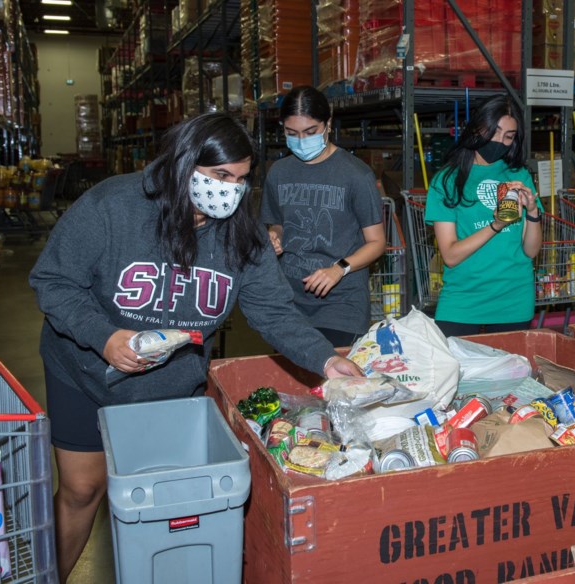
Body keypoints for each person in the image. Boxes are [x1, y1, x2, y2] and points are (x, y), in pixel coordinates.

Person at [29, 112, 361, 583]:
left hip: (170, 385)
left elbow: (275, 313)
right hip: (84, 370)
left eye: (242, 180)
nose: (231, 190)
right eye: (221, 176)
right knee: (84, 489)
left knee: (168, 497)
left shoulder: (241, 235)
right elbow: (54, 281)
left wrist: (327, 359)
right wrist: (104, 338)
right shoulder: (113, 206)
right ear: (184, 163)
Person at [260, 86, 386, 348]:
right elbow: (278, 223)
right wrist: (275, 236)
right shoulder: (278, 172)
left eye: (310, 132)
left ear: (328, 124)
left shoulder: (356, 175)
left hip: (341, 305)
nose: (301, 140)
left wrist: (338, 269)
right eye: (291, 133)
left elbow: (376, 243)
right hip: (289, 302)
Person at [424, 93, 542, 337]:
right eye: (495, 131)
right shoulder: (447, 181)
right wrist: (496, 225)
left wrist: (532, 213)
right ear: (478, 127)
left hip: (514, 299)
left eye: (508, 136)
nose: (500, 141)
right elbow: (451, 255)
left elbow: (531, 251)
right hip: (462, 302)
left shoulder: (519, 175)